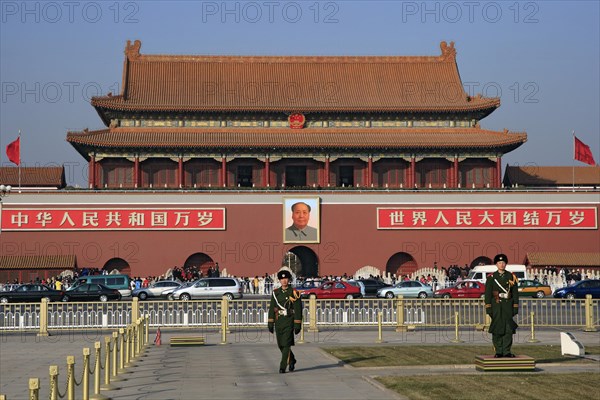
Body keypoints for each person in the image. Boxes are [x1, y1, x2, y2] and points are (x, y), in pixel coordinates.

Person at [484, 253, 519, 358]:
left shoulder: (511, 276)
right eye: (499, 263)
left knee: (508, 330)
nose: (502, 264)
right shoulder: (491, 278)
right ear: (496, 264)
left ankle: (507, 351)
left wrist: (515, 306)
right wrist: (489, 307)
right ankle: (499, 351)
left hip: (508, 306)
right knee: (497, 329)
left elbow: (515, 293)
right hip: (496, 306)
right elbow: (488, 294)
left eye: (503, 262)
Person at [268, 270, 302, 373]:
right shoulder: (276, 293)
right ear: (279, 280)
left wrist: (297, 324)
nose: (284, 281)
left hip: (289, 320)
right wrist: (270, 322)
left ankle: (283, 366)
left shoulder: (294, 293)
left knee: (286, 344)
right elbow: (272, 308)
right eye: (282, 279)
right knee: (280, 345)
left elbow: (298, 308)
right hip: (279, 321)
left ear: (289, 280)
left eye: (286, 279)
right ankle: (292, 360)